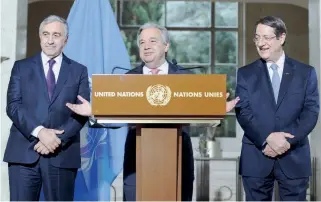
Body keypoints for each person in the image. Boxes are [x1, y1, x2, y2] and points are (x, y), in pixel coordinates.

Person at [66, 23, 239, 201]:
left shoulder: (186, 79)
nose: (146, 46)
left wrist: (216, 110)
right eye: (141, 42)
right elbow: (112, 111)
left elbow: (204, 109)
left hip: (178, 154)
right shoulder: (127, 79)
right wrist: (95, 110)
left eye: (152, 41)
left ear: (166, 46)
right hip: (138, 153)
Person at [3, 15, 90, 201]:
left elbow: (81, 112)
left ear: (65, 40)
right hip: (23, 154)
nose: (50, 40)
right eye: (46, 34)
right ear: (40, 37)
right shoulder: (21, 67)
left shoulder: (79, 71)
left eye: (56, 35)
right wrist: (40, 132)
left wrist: (56, 139)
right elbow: (13, 106)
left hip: (61, 153)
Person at [235, 16, 319, 201]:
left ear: (281, 38)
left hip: (294, 155)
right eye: (257, 38)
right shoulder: (245, 73)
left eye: (267, 37)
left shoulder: (306, 73)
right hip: (256, 155)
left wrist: (287, 141)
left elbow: (311, 112)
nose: (261, 43)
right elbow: (243, 112)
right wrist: (267, 139)